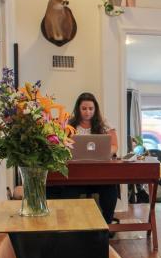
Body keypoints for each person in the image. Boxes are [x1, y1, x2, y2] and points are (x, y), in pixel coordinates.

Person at [47, 92, 119, 224]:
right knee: (67, 190)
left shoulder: (104, 124)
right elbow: (60, 143)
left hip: (99, 174)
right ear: (78, 109)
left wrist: (105, 152)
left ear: (95, 109)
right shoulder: (69, 123)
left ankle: (107, 223)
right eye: (84, 109)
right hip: (76, 174)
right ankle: (72, 224)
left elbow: (114, 145)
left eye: (91, 109)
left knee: (110, 187)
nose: (87, 112)